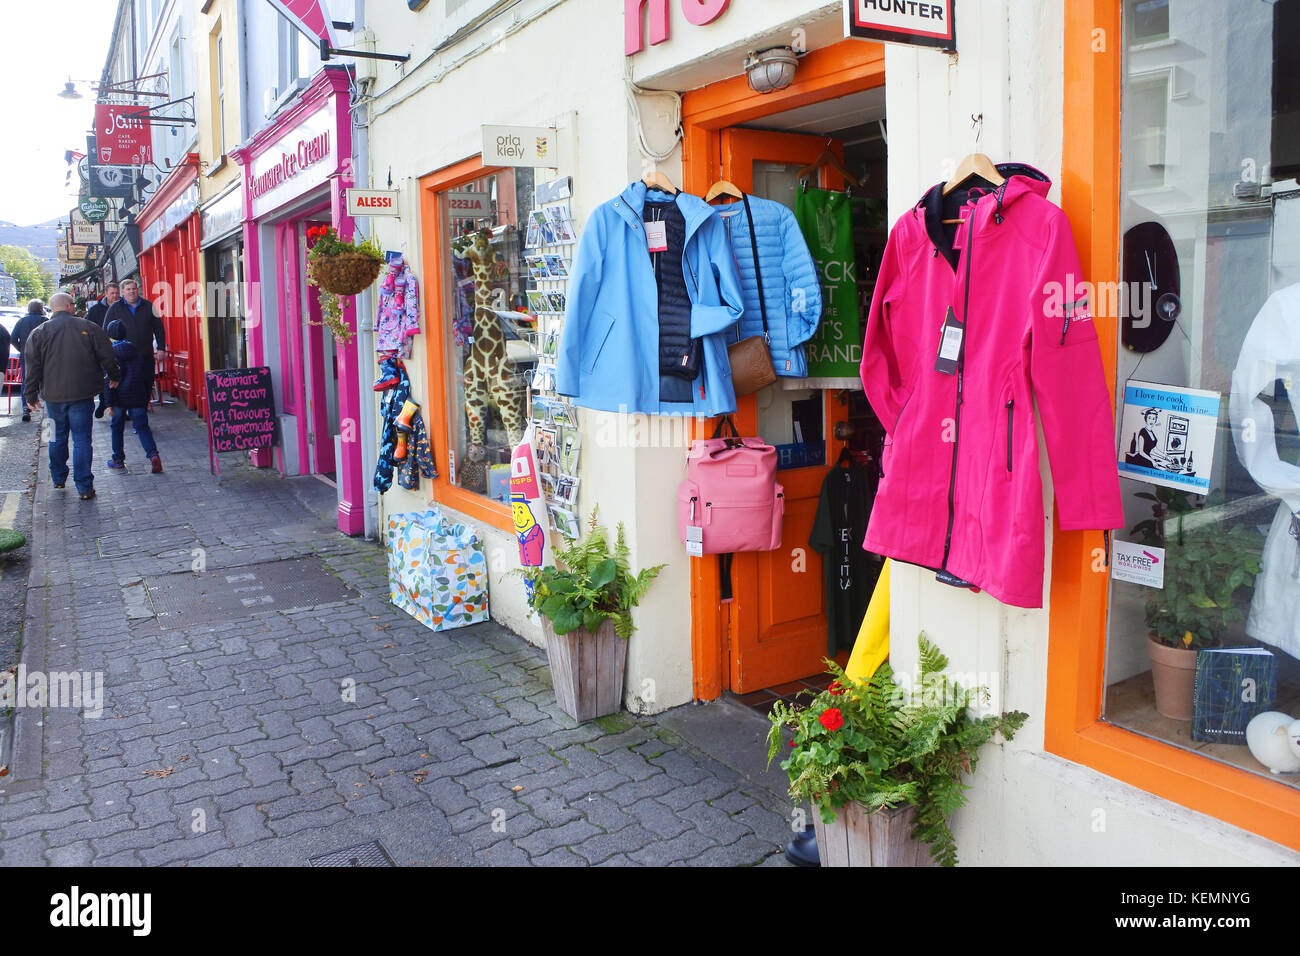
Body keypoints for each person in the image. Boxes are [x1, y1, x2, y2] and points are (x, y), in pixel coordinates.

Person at [22, 293, 120, 500]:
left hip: (51, 397)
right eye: (73, 304)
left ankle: (57, 478)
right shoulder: (89, 327)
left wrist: (30, 395)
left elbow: (32, 368)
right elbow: (107, 355)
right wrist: (114, 376)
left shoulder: (38, 333)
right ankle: (84, 486)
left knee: (53, 437)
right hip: (82, 395)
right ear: (68, 306)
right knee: (82, 440)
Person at [99, 319, 162, 473]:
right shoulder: (135, 351)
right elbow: (143, 374)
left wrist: (107, 404)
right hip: (137, 395)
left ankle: (118, 459)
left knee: (117, 428)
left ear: (109, 335)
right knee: (142, 427)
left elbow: (108, 380)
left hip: (118, 397)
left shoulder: (109, 354)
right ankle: (153, 455)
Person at [104, 279, 166, 395]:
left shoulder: (149, 305)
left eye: (134, 289)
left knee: (146, 385)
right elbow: (106, 331)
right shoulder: (115, 308)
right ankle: (133, 411)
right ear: (123, 292)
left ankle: (141, 408)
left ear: (137, 290)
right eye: (128, 289)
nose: (131, 291)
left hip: (145, 356)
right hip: (123, 358)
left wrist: (161, 348)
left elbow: (159, 328)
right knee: (126, 388)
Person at [10, 299, 48, 422]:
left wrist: (22, 349)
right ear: (41, 308)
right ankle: (49, 404)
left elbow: (13, 338)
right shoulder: (45, 321)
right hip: (45, 356)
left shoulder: (21, 321)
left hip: (27, 357)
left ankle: (26, 407)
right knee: (47, 379)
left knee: (26, 381)